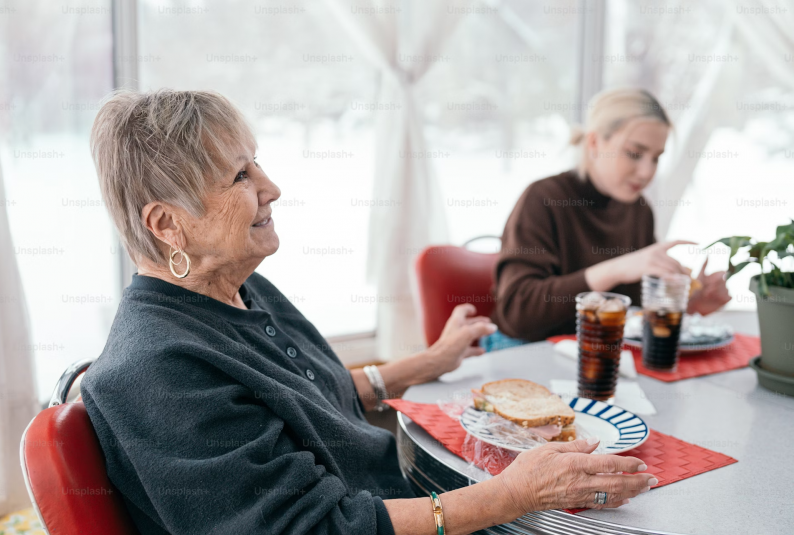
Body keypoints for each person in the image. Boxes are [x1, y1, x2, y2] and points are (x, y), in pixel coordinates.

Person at [81, 89, 656, 535]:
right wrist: (512, 495)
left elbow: (308, 398)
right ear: (166, 224)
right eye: (240, 175)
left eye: (256, 163)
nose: (272, 187)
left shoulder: (238, 291)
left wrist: (422, 363)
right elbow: (313, 528)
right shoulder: (157, 371)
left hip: (401, 494)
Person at [490, 88, 730, 347]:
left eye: (656, 158)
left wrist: (689, 303)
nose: (647, 172)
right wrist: (616, 269)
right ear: (594, 143)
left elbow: (634, 308)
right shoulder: (544, 199)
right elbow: (517, 314)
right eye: (634, 154)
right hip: (525, 350)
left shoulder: (639, 209)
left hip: (599, 350)